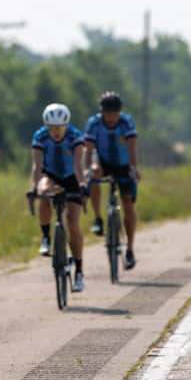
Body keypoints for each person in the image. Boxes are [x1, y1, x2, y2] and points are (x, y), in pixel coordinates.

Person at [29, 102, 88, 291]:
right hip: (51, 175)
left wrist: (83, 185)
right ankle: (46, 237)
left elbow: (79, 166)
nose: (55, 132)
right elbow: (37, 166)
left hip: (72, 177)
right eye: (52, 128)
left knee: (72, 222)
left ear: (66, 125)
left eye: (59, 128)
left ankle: (79, 270)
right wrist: (34, 187)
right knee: (44, 191)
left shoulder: (75, 136)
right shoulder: (40, 136)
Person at [84, 91, 141, 270]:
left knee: (127, 204)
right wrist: (89, 167)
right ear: (102, 113)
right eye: (107, 114)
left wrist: (133, 168)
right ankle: (98, 218)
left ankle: (130, 249)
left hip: (123, 164)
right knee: (93, 178)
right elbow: (89, 149)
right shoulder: (93, 123)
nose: (111, 118)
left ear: (119, 113)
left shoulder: (126, 122)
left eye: (114, 114)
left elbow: (132, 147)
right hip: (103, 162)